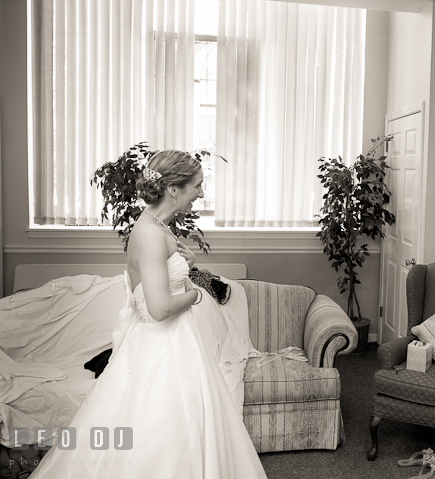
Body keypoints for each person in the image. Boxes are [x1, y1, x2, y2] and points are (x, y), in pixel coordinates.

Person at [30, 150, 267, 478]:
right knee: (161, 430)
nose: (201, 192)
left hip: (174, 341)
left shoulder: (156, 224)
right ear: (174, 189)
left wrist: (188, 265)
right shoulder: (151, 234)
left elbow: (160, 278)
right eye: (197, 185)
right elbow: (159, 309)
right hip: (162, 346)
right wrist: (195, 294)